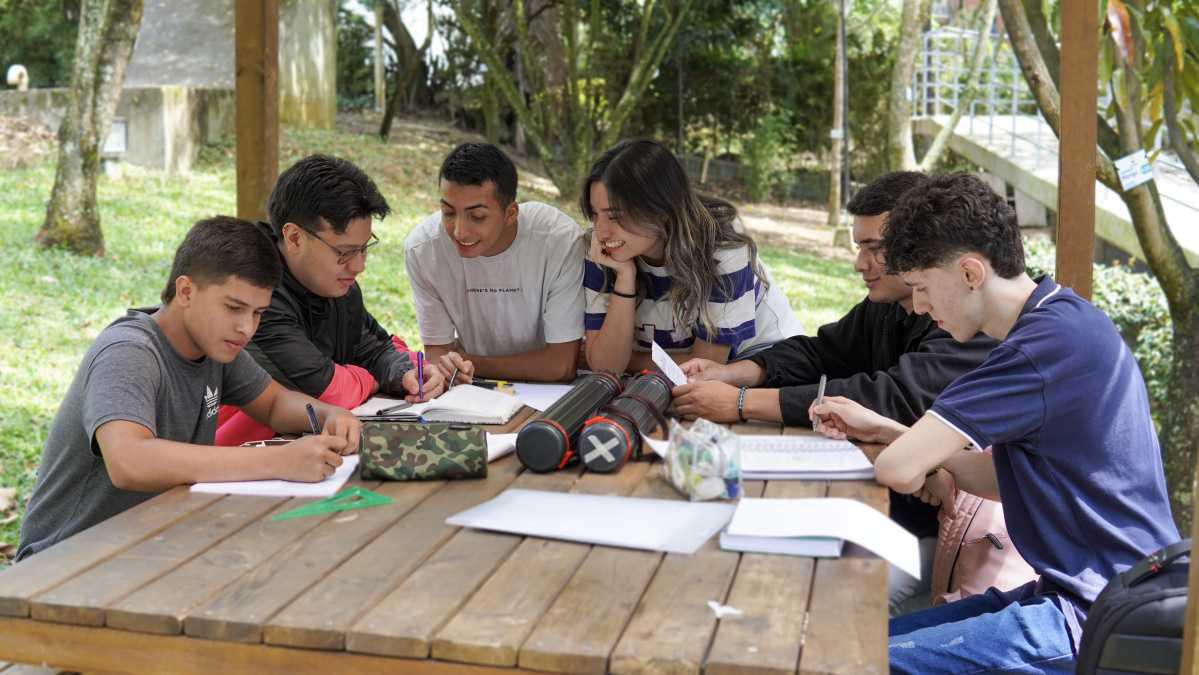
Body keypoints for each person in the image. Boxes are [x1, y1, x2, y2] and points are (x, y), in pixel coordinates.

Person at [811, 173, 1178, 672]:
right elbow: (1001, 480)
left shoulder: (1040, 349)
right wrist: (891, 431)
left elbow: (897, 471)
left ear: (969, 272)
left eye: (921, 287)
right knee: (860, 643)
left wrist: (904, 450)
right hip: (1076, 596)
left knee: (851, 662)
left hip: (1092, 616)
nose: (918, 306)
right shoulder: (1060, 321)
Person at [673, 171, 999, 614]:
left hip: (937, 532)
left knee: (815, 602)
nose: (860, 264)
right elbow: (825, 351)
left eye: (876, 249)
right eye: (859, 247)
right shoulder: (892, 306)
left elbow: (894, 397)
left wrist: (742, 404)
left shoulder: (975, 324)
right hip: (880, 505)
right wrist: (736, 374)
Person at [18, 217, 362, 561]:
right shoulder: (129, 352)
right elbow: (129, 461)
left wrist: (329, 414)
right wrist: (278, 460)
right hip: (64, 564)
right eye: (234, 307)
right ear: (186, 292)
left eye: (258, 313)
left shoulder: (215, 346)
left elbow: (273, 404)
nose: (246, 328)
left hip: (151, 544)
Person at [216, 155, 457, 446]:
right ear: (294, 238)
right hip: (225, 463)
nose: (358, 266)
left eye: (364, 249)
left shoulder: (336, 284)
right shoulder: (252, 292)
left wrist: (408, 373)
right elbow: (326, 392)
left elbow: (375, 347)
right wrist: (370, 377)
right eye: (344, 252)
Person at [583, 138, 801, 374]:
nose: (601, 230)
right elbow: (606, 367)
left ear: (660, 208)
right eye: (595, 214)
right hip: (665, 380)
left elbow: (704, 367)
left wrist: (627, 361)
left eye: (615, 216)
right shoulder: (603, 250)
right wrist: (625, 276)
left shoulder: (722, 244)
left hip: (761, 365)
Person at [405, 142, 584, 382]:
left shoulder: (557, 240)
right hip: (476, 395)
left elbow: (561, 365)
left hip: (552, 394)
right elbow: (439, 357)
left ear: (510, 214)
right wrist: (453, 363)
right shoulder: (424, 249)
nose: (459, 232)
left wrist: (468, 362)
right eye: (448, 213)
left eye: (477, 217)